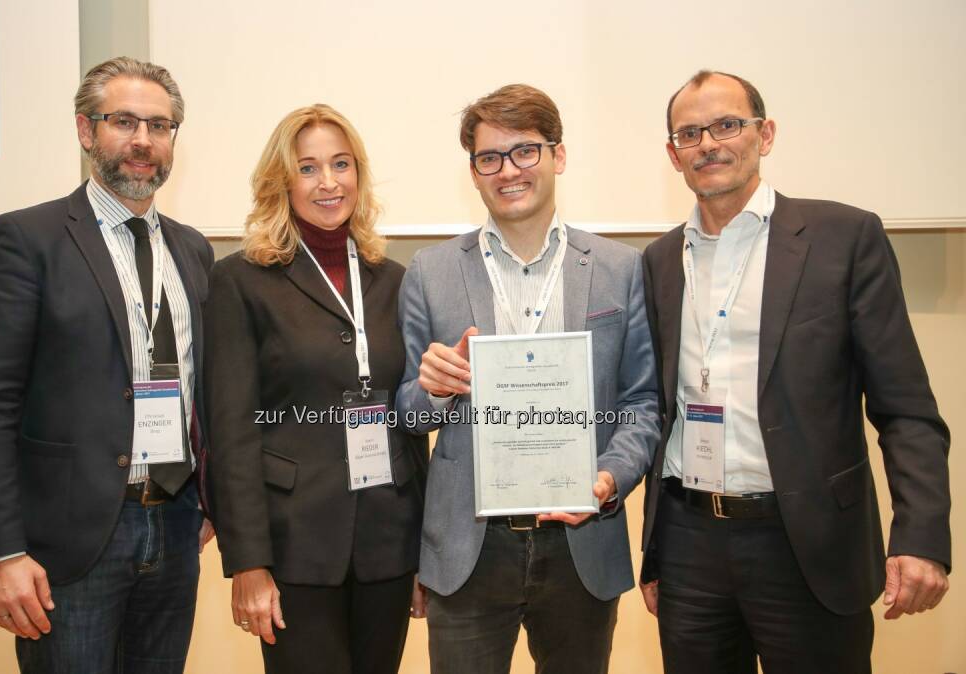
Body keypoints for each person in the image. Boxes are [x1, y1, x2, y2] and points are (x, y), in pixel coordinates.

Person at [639, 70, 951, 674]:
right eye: (689, 133)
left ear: (766, 133)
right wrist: (657, 555)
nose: (708, 143)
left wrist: (920, 535)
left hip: (807, 544)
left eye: (727, 124)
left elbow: (905, 407)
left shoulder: (843, 237)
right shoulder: (657, 261)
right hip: (689, 544)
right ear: (673, 154)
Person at [0, 56, 215, 674]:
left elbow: (202, 392)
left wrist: (209, 500)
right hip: (70, 545)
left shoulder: (194, 249)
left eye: (160, 125)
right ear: (85, 130)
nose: (143, 141)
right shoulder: (28, 238)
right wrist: (0, 551)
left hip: (176, 527)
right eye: (124, 121)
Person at [396, 84, 660, 674]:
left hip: (581, 541)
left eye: (525, 151)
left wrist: (607, 480)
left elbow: (641, 402)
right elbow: (408, 415)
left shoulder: (620, 268)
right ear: (473, 172)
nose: (507, 171)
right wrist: (434, 388)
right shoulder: (430, 273)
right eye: (489, 158)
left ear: (557, 156)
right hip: (469, 546)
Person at [204, 104, 427, 674]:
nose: (329, 182)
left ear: (360, 174)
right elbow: (231, 435)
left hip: (389, 538)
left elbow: (409, 415)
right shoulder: (240, 281)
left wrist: (427, 551)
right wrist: (247, 563)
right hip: (292, 546)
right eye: (308, 168)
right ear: (282, 181)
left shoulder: (393, 279)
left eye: (341, 164)